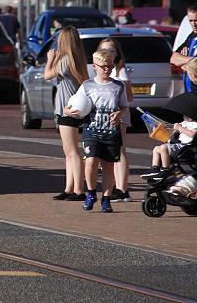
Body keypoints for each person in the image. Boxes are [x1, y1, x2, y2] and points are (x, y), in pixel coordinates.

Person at [65, 50, 129, 214]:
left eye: (110, 66)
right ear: (94, 66)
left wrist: (120, 114)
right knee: (91, 162)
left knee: (108, 166)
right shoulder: (87, 85)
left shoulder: (118, 86)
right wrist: (67, 111)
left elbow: (124, 106)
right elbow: (73, 104)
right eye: (103, 67)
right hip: (91, 130)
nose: (107, 70)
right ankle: (91, 193)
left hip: (111, 132)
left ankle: (106, 199)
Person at [44, 26, 88, 201]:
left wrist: (50, 59)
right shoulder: (76, 59)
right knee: (68, 150)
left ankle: (78, 189)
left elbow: (47, 75)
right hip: (73, 106)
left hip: (66, 107)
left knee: (72, 150)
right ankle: (69, 187)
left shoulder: (64, 60)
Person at [96, 38, 133, 202]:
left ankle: (123, 189)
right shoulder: (99, 72)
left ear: (117, 53)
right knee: (110, 151)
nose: (108, 54)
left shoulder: (120, 71)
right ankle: (114, 187)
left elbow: (130, 97)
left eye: (111, 51)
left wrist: (118, 105)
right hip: (104, 115)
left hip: (119, 112)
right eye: (104, 50)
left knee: (120, 149)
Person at [141, 111, 197, 182]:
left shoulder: (196, 124)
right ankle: (155, 168)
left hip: (186, 147)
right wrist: (163, 129)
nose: (186, 117)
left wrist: (180, 128)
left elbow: (192, 134)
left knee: (164, 147)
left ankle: (166, 169)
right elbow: (172, 132)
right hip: (178, 145)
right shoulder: (184, 123)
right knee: (156, 149)